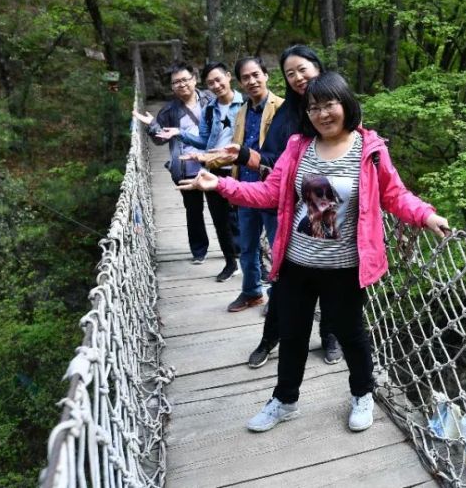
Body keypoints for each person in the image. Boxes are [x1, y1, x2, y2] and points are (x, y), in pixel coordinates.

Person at [179, 72, 449, 434]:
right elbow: (268, 194)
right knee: (292, 335)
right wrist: (222, 184)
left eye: (329, 105)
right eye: (314, 107)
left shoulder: (369, 150)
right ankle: (285, 400)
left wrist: (426, 214)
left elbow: (395, 194)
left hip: (344, 267)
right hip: (296, 264)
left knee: (352, 336)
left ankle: (362, 394)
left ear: (346, 104)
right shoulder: (298, 147)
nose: (322, 114)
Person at [210, 44, 338, 368]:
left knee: (331, 273)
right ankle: (271, 338)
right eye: (290, 73)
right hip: (293, 202)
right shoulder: (288, 113)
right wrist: (240, 155)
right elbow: (270, 159)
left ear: (317, 65)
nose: (297, 77)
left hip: (328, 199)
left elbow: (356, 141)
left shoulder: (338, 97)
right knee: (285, 277)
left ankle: (330, 336)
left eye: (302, 69)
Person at [132, 62, 215, 264]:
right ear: (171, 87)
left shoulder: (211, 100)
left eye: (185, 80)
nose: (181, 84)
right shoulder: (169, 110)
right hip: (186, 168)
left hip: (214, 163)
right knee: (193, 211)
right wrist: (152, 125)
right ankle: (199, 251)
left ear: (194, 79)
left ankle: (236, 247)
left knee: (223, 209)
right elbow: (160, 140)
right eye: (176, 82)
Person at [224, 57, 283, 313]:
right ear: (240, 82)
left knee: (277, 246)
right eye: (246, 77)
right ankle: (251, 292)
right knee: (247, 246)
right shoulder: (241, 112)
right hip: (246, 189)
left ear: (266, 75)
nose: (252, 81)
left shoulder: (282, 108)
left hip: (271, 189)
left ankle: (279, 296)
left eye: (256, 75)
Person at [176, 61, 244, 281]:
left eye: (218, 79)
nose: (215, 85)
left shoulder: (246, 104)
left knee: (246, 218)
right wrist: (180, 134)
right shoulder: (209, 109)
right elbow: (204, 140)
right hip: (214, 169)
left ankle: (254, 263)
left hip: (241, 169)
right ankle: (230, 263)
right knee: (220, 219)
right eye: (210, 83)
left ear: (227, 76)